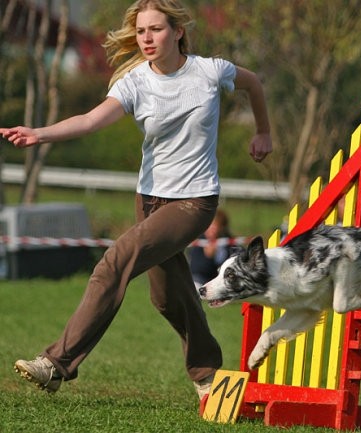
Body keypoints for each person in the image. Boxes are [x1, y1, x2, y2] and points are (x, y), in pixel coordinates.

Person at [1, 0, 272, 405]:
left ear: (177, 32)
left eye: (156, 29)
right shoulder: (134, 82)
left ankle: (57, 363)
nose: (146, 38)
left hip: (194, 200)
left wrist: (263, 132)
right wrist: (41, 134)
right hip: (149, 201)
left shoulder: (211, 71)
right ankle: (209, 374)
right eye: (141, 31)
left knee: (115, 261)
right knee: (168, 296)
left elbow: (253, 84)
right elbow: (91, 119)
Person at [189, 209, 235, 287]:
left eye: (215, 226)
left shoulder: (227, 242)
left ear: (222, 228)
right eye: (209, 225)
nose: (211, 229)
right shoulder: (199, 240)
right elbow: (196, 268)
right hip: (199, 279)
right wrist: (209, 257)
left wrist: (217, 255)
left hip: (219, 280)